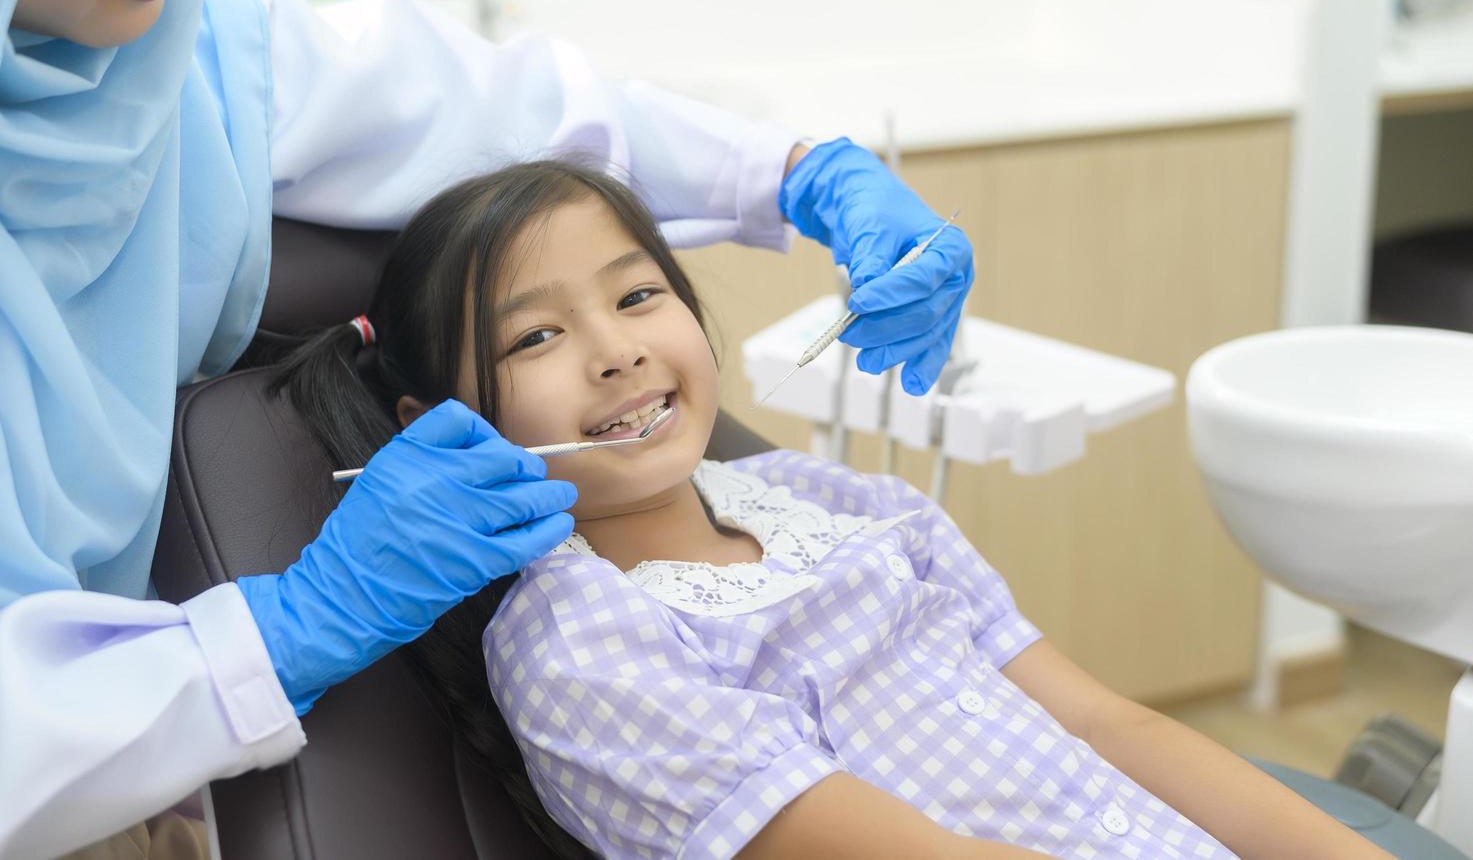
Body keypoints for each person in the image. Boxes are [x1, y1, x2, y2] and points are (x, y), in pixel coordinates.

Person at [0, 0, 974, 856]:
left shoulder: (197, 49)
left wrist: (798, 175)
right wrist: (284, 630)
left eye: (638, 295)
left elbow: (521, 127)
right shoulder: (583, 655)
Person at [274, 159, 1390, 860]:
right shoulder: (585, 648)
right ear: (440, 429)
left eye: (637, 295)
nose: (616, 352)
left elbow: (1110, 726)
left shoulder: (840, 502)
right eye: (536, 336)